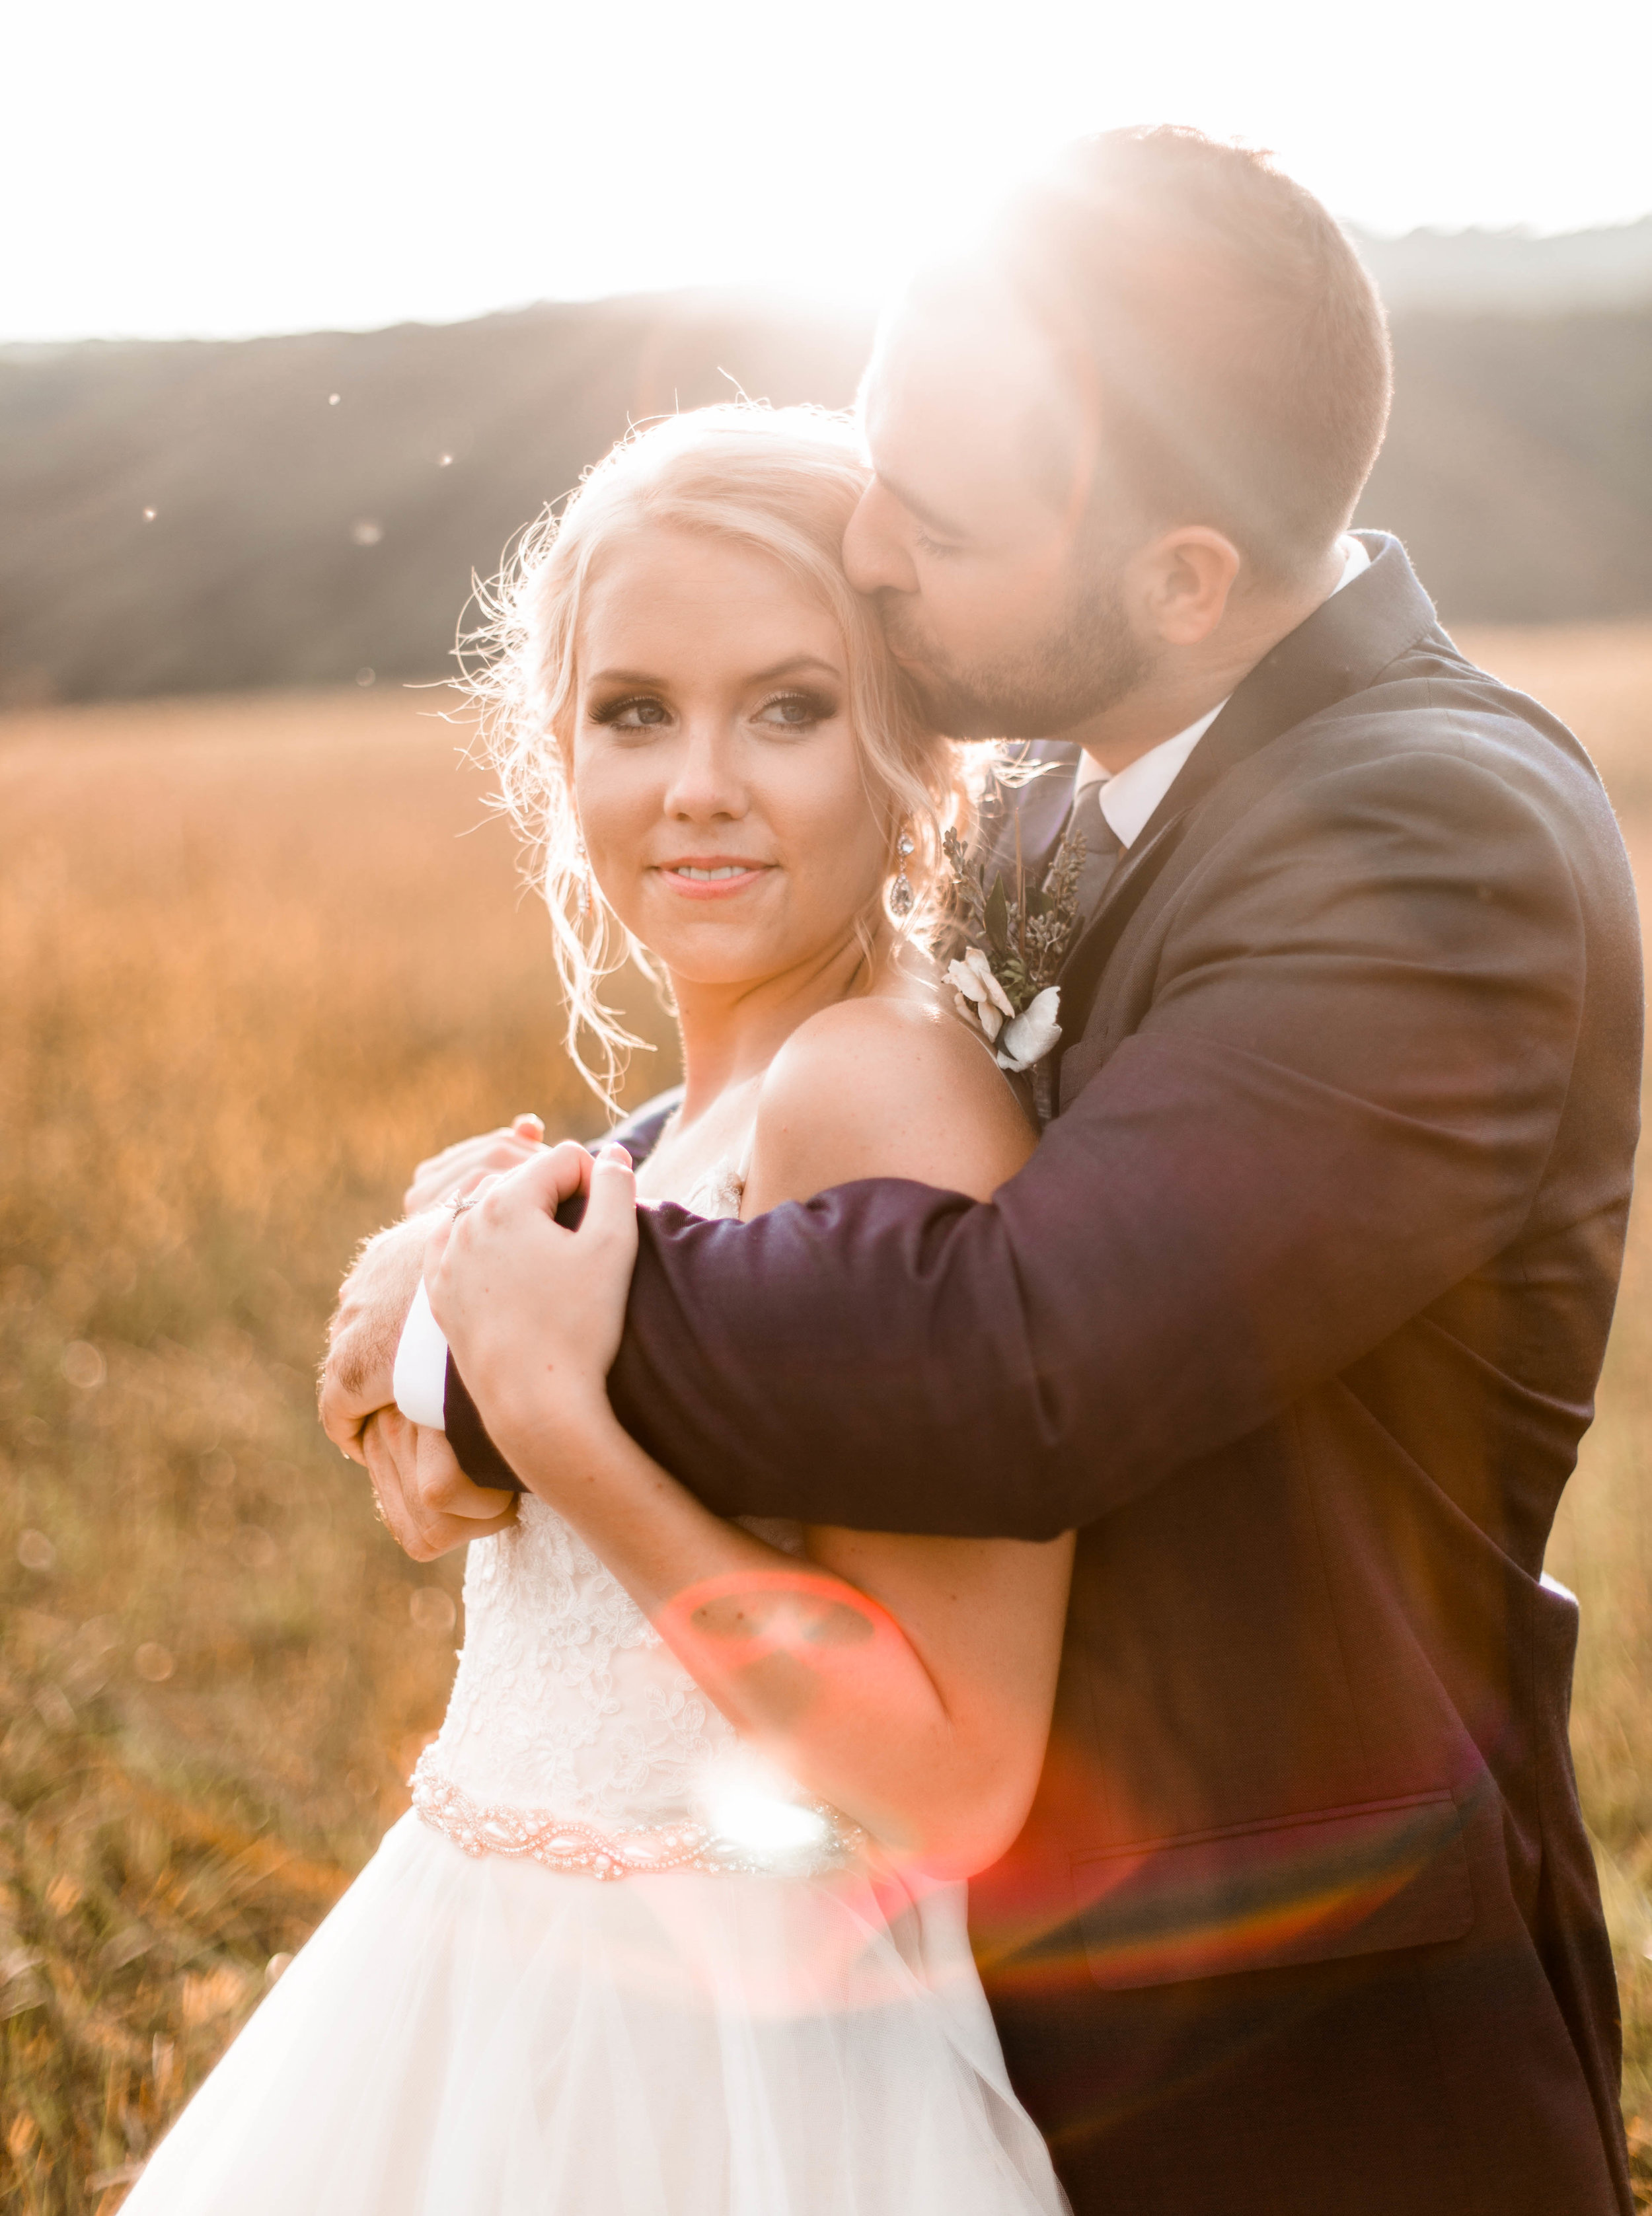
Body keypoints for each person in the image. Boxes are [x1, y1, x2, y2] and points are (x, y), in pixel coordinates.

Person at [326, 128, 1643, 2216]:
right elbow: (816, 1141)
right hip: (991, 1993)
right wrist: (520, 1212)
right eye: (873, 449)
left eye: (932, 515)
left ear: (1179, 577)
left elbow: (1020, 1349)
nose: (863, 538)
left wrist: (484, 1352)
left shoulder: (1429, 840)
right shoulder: (1065, 798)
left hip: (1306, 2033)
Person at [125, 407, 1073, 2216]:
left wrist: (558, 1422)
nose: (697, 782)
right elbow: (467, 1480)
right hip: (487, 1978)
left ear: (906, 749)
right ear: (554, 751)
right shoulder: (677, 1128)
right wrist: (424, 1365)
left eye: (787, 708)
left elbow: (955, 1775)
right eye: (635, 711)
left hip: (737, 2077)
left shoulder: (874, 1093)